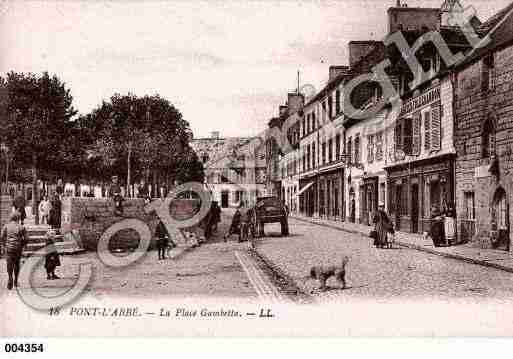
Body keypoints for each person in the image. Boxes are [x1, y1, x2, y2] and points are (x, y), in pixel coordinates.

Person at [0, 212, 27, 290]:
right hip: (18, 248)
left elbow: (2, 237)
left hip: (9, 248)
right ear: (18, 218)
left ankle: (10, 277)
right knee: (17, 264)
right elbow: (26, 238)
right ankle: (15, 280)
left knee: (9, 264)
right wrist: (23, 245)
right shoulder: (21, 227)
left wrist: (4, 245)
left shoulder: (6, 226)